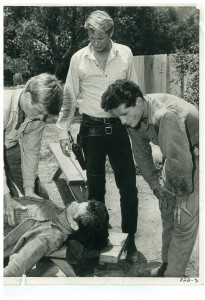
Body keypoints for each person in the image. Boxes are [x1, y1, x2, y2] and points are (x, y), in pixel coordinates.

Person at [56, 10, 139, 262]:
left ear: (111, 33)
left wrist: (138, 125)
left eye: (101, 37)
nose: (95, 42)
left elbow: (134, 90)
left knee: (128, 186)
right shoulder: (78, 58)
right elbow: (69, 95)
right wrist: (62, 130)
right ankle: (98, 240)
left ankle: (130, 238)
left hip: (119, 128)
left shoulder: (125, 53)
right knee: (95, 190)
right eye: (91, 36)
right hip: (90, 130)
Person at [101, 79, 199, 277]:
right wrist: (157, 187)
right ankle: (166, 265)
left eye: (123, 114)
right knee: (167, 211)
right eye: (118, 117)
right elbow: (142, 155)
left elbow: (179, 160)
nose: (122, 121)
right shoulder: (135, 116)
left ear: (138, 102)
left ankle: (173, 279)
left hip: (196, 158)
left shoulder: (167, 115)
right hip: (176, 157)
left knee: (183, 219)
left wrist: (182, 197)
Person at [4, 73, 63, 227]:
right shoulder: (3, 106)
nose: (42, 118)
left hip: (9, 146)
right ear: (28, 96)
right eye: (39, 111)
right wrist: (4, 194)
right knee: (9, 204)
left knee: (39, 197)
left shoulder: (38, 115)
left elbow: (31, 151)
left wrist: (29, 190)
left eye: (45, 114)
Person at [4, 197, 109, 277]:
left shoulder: (48, 237)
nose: (74, 202)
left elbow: (14, 271)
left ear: (74, 225)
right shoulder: (60, 215)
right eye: (79, 203)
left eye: (76, 207)